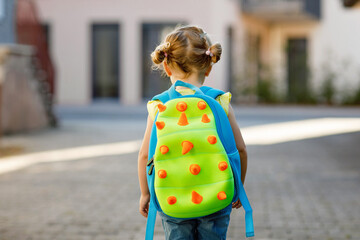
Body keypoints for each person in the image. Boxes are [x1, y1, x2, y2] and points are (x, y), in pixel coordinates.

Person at [138, 25, 248, 240]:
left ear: (167, 67)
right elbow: (241, 149)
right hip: (217, 193)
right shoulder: (220, 101)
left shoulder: (159, 105)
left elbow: (144, 155)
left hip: (173, 196)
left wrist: (145, 193)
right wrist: (238, 188)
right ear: (208, 68)